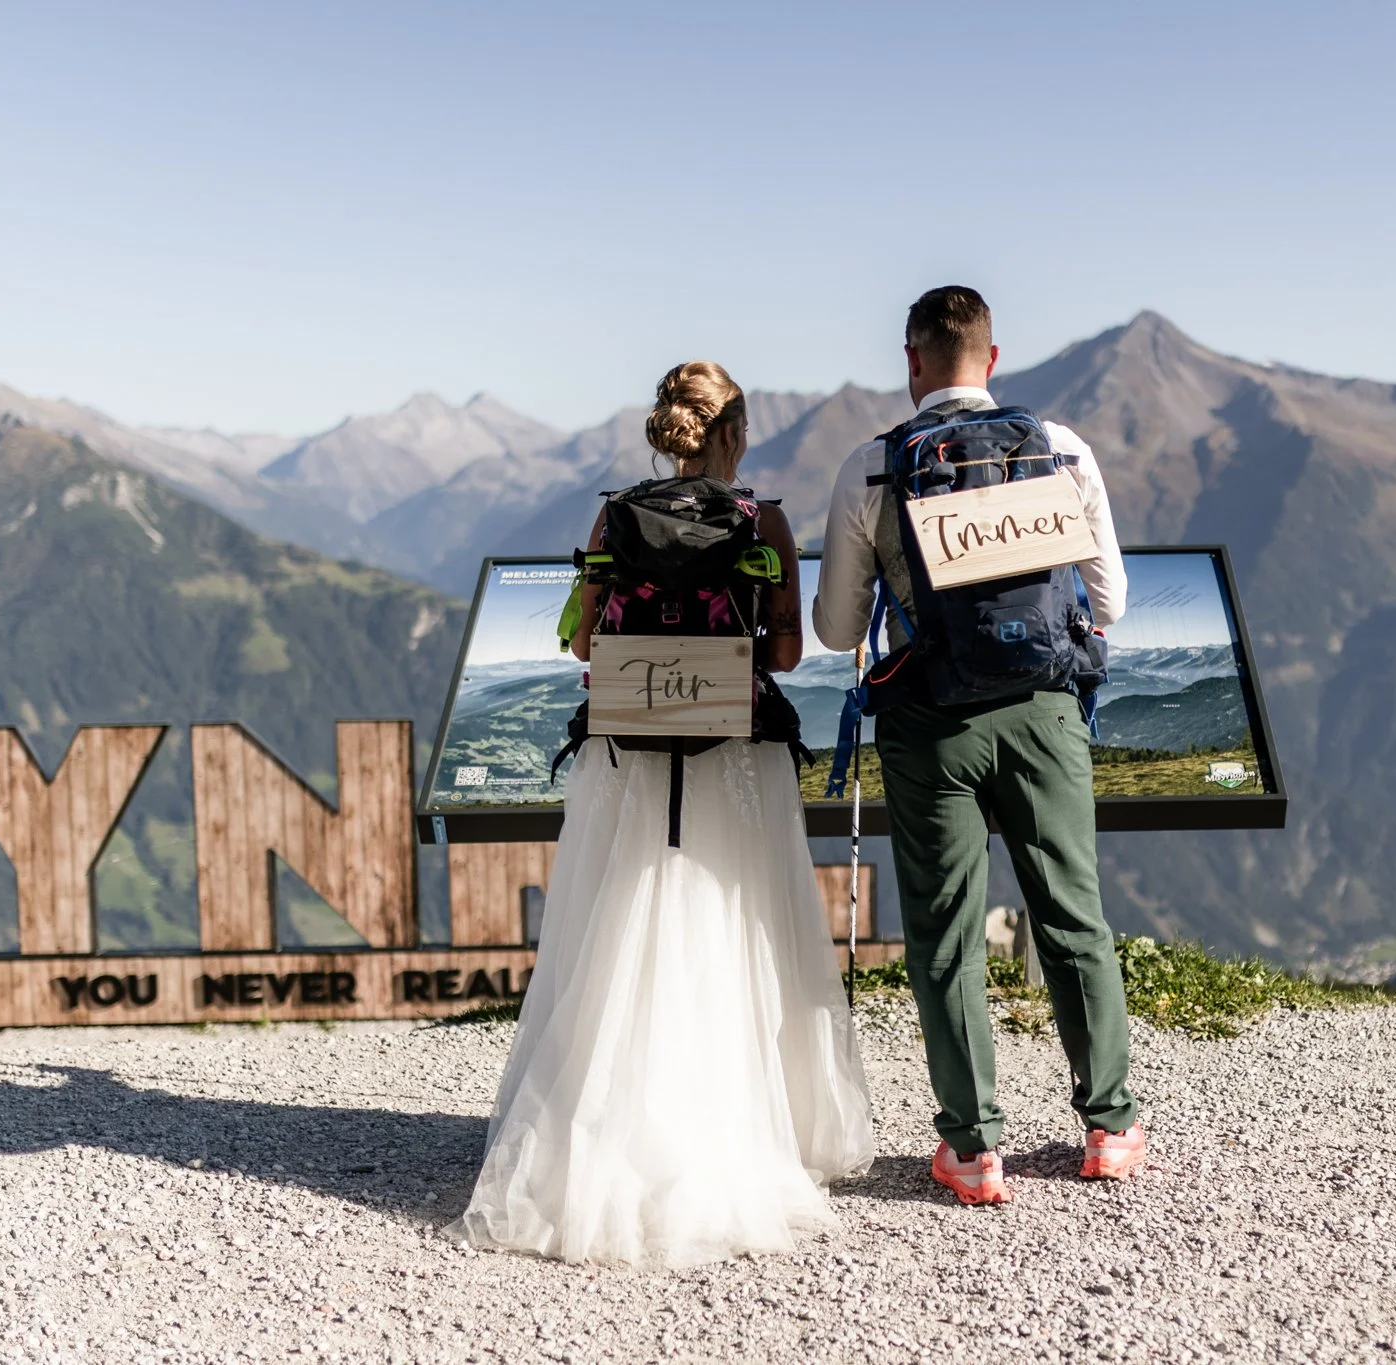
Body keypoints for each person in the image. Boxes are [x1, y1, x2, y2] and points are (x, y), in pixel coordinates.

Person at [453, 361, 875, 1265]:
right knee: (733, 928)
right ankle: (749, 1128)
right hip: (734, 750)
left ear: (665, 429)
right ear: (737, 430)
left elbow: (579, 635)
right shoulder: (763, 520)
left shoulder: (614, 517)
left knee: (617, 930)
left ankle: (598, 1134)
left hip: (628, 748)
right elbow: (791, 653)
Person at [812, 287, 1145, 1206]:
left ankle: (972, 1149)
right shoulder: (1059, 448)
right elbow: (1108, 604)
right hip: (1045, 716)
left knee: (948, 934)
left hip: (930, 726)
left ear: (911, 362)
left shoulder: (871, 470)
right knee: (1072, 914)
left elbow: (840, 627)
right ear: (991, 360)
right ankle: (1109, 1127)